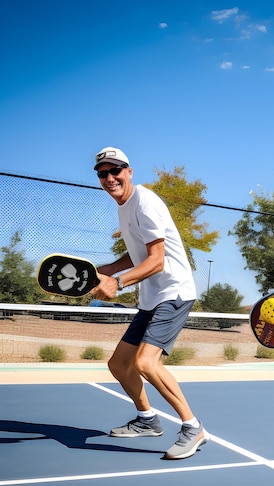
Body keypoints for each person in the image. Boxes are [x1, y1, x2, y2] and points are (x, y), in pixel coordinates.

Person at [90, 146, 207, 461]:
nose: (110, 178)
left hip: (174, 292)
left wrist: (118, 282)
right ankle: (147, 420)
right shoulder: (124, 208)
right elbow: (136, 254)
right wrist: (107, 270)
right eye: (104, 173)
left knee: (145, 363)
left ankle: (193, 427)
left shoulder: (145, 202)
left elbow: (156, 260)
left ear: (129, 171)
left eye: (116, 171)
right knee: (118, 364)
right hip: (152, 298)